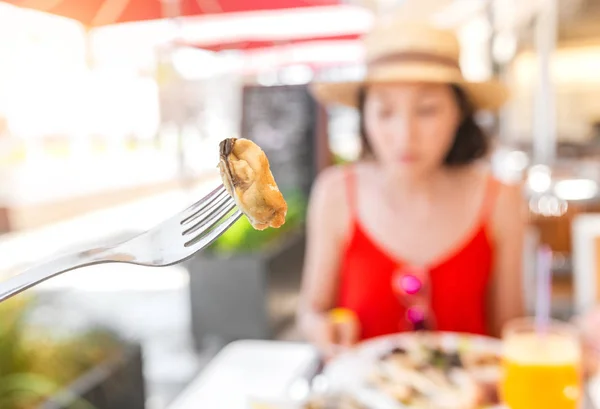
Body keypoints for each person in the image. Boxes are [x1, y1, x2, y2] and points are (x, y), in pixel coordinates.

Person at [297, 20, 526, 358]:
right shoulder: (335, 194)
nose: (405, 135)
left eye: (427, 110)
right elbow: (311, 311)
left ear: (459, 113)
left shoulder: (501, 200)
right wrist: (322, 329)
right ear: (364, 116)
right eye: (385, 111)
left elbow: (510, 333)